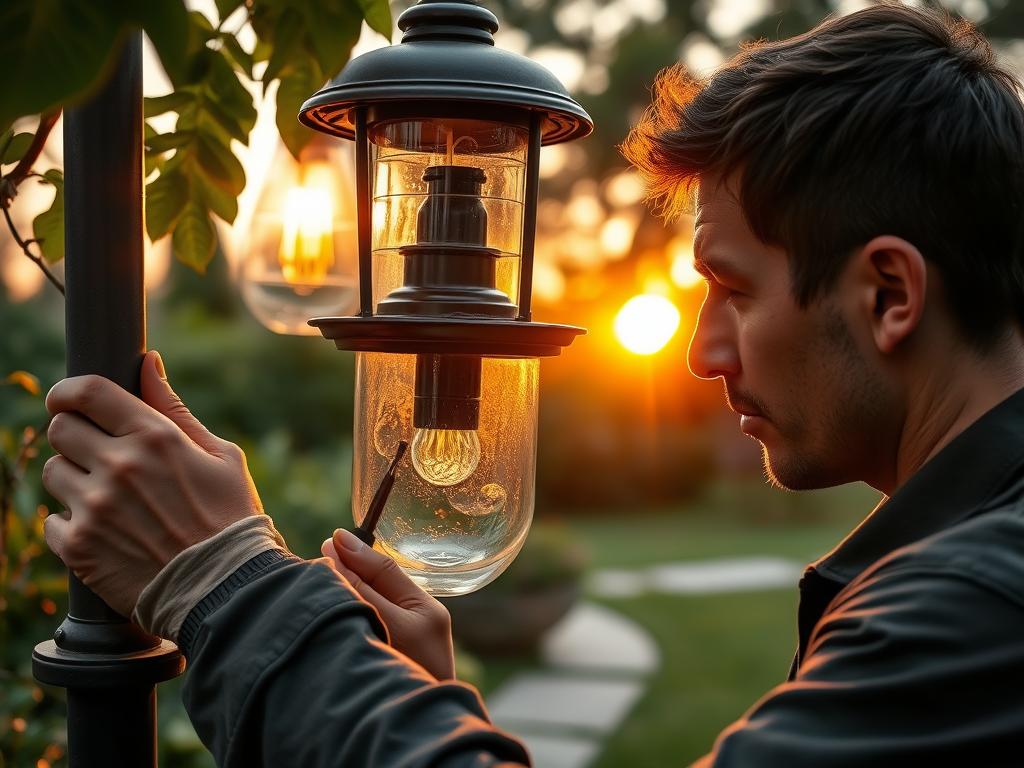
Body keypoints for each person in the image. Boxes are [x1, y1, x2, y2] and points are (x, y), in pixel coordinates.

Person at [40, 2, 1024, 765]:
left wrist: (225, 584)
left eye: (731, 287)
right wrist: (421, 715)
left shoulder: (971, 612)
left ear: (888, 292)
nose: (702, 354)